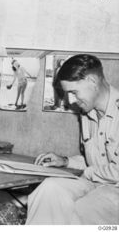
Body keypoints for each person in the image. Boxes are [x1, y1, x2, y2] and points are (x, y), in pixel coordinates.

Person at [26, 54, 119, 224]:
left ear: (92, 81)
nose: (70, 101)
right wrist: (66, 161)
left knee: (83, 209)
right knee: (48, 189)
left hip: (115, 191)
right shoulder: (87, 113)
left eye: (73, 92)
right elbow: (98, 161)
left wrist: (88, 172)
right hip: (95, 183)